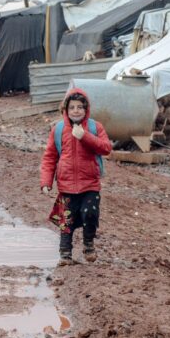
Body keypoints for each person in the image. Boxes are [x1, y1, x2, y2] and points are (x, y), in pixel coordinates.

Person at [40, 88, 113, 266]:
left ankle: (88, 244)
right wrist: (46, 181)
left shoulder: (95, 127)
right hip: (66, 185)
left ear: (86, 109)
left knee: (90, 214)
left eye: (80, 107)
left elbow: (106, 148)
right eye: (72, 107)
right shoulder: (58, 129)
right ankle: (65, 255)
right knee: (66, 221)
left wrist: (85, 136)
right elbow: (50, 157)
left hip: (90, 183)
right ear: (66, 109)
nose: (76, 111)